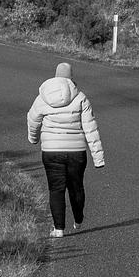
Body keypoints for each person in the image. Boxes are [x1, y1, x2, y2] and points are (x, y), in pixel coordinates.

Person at [27, 60, 105, 238]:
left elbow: (33, 120)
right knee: (76, 186)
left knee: (56, 189)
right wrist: (98, 158)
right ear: (71, 78)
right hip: (77, 152)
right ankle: (78, 219)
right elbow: (91, 129)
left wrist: (33, 139)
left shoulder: (42, 98)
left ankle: (58, 229)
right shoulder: (80, 98)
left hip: (51, 151)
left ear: (55, 76)